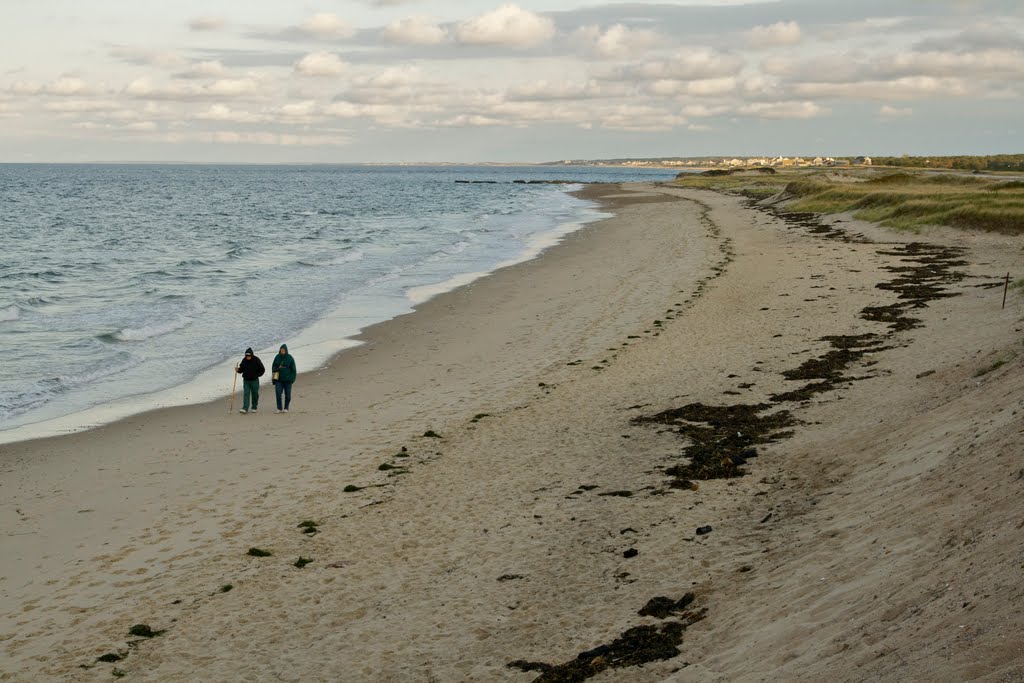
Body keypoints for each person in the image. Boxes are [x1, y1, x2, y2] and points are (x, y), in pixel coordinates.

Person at [235, 347, 265, 414]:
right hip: (246, 380)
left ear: (252, 355)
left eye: (249, 356)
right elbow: (241, 369)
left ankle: (254, 407)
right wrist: (238, 370)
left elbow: (262, 369)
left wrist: (257, 375)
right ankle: (245, 408)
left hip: (254, 380)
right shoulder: (244, 360)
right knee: (246, 393)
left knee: (255, 394)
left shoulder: (256, 360)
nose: (247, 357)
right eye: (246, 356)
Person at [272, 343, 297, 413]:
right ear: (280, 350)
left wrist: (292, 379)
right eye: (281, 350)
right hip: (278, 380)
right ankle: (279, 408)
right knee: (278, 393)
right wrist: (277, 369)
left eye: (283, 350)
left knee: (288, 395)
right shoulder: (277, 357)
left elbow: (294, 370)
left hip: (288, 380)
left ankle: (286, 407)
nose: (282, 351)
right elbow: (273, 367)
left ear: (286, 350)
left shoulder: (290, 358)